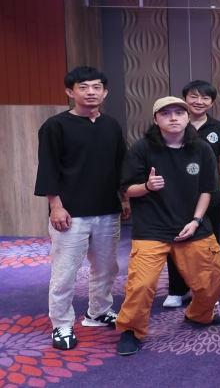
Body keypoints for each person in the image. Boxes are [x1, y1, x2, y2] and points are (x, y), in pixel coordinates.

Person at [116, 97, 220, 356]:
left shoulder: (202, 149)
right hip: (152, 229)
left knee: (212, 282)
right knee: (141, 285)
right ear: (155, 120)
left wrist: (196, 221)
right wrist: (147, 186)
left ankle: (199, 314)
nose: (173, 117)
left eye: (179, 112)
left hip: (192, 227)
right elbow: (127, 189)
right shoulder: (142, 149)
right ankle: (131, 330)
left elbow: (207, 190)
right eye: (165, 113)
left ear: (188, 118)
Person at [35, 66, 129, 350]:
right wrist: (55, 206)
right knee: (65, 272)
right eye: (83, 87)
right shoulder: (56, 125)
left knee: (107, 267)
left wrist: (124, 199)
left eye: (96, 87)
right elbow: (48, 168)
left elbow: (120, 165)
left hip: (107, 209)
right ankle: (61, 324)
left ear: (105, 92)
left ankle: (98, 311)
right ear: (70, 91)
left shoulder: (111, 125)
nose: (91, 92)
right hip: (70, 212)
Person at [163, 80, 220, 308]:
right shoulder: (174, 124)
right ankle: (178, 289)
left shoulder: (219, 128)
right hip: (178, 194)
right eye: (193, 96)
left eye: (205, 98)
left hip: (211, 193)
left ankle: (206, 290)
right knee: (177, 239)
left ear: (212, 102)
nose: (199, 101)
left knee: (208, 243)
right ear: (185, 99)